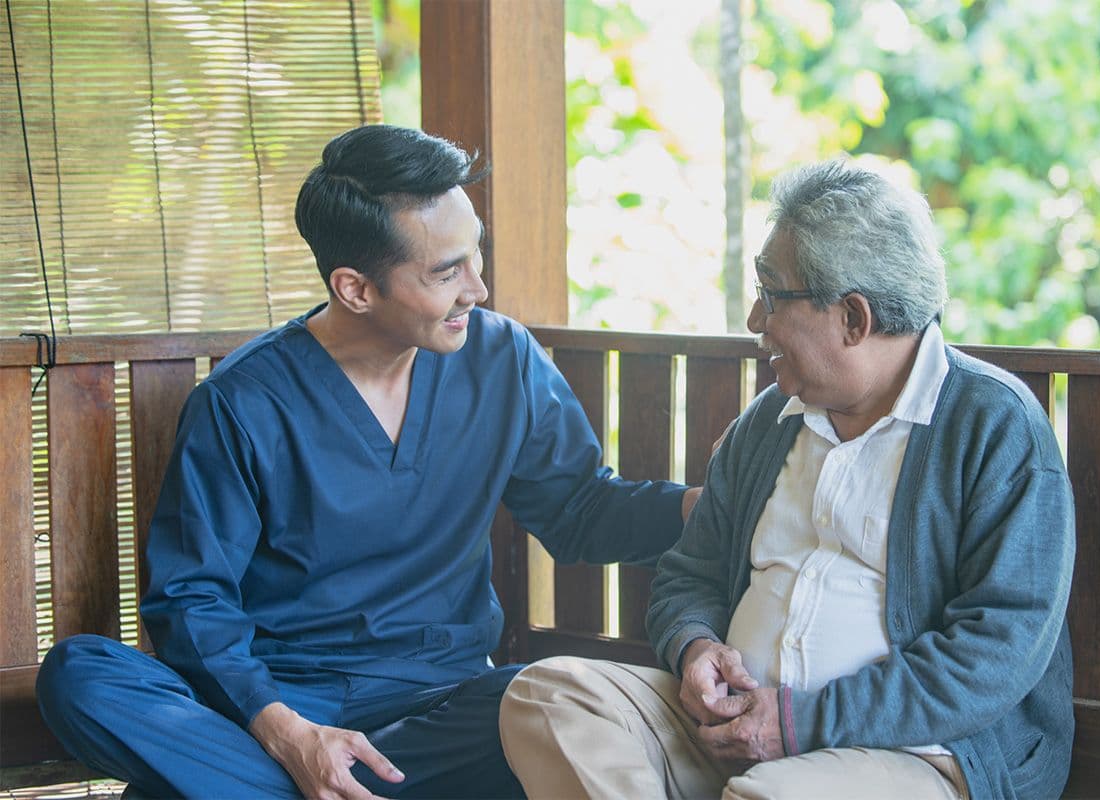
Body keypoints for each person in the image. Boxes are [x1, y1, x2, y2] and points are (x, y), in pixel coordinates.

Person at [36, 124, 700, 800]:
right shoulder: (242, 403)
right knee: (80, 676)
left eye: (475, 258)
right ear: (355, 288)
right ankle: (303, 777)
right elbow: (191, 598)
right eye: (447, 272)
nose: (478, 288)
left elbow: (581, 512)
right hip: (285, 706)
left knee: (552, 696)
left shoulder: (502, 360)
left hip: (447, 707)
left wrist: (712, 505)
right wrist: (289, 734)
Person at [499, 159, 1076, 800]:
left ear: (853, 318)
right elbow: (690, 573)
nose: (754, 319)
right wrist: (694, 648)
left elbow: (996, 650)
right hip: (724, 732)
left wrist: (798, 724)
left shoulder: (994, 426)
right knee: (547, 697)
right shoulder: (771, 421)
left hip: (909, 755)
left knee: (771, 796)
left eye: (772, 295)